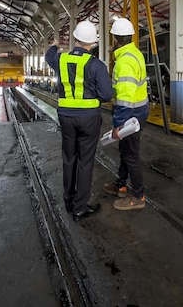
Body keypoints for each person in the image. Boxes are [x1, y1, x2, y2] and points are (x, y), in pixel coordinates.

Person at [45, 20, 114, 222]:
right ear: (92, 44)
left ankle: (68, 201)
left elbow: (49, 57)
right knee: (85, 161)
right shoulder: (95, 65)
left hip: (66, 117)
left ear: (75, 39)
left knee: (69, 157)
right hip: (89, 119)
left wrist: (54, 45)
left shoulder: (60, 59)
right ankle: (80, 207)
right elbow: (107, 94)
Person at [103, 17, 149, 211]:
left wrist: (118, 124)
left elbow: (125, 98)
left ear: (115, 39)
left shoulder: (125, 62)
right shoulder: (135, 53)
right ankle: (121, 184)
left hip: (131, 115)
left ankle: (138, 195)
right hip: (138, 110)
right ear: (130, 37)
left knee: (131, 155)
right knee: (125, 151)